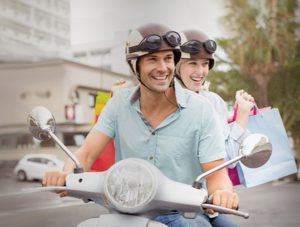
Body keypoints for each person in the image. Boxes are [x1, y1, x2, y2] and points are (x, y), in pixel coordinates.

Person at [43, 23, 239, 227]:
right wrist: (64, 173)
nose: (163, 68)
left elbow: (216, 172)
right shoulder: (118, 104)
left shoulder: (201, 109)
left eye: (168, 58)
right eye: (152, 59)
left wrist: (223, 193)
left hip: (184, 212)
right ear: (135, 65)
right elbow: (86, 153)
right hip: (128, 212)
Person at [176, 29, 255, 162]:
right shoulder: (165, 100)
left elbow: (226, 158)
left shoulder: (213, 101)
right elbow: (227, 159)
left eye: (205, 64)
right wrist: (242, 114)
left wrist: (242, 113)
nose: (200, 72)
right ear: (177, 66)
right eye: (192, 63)